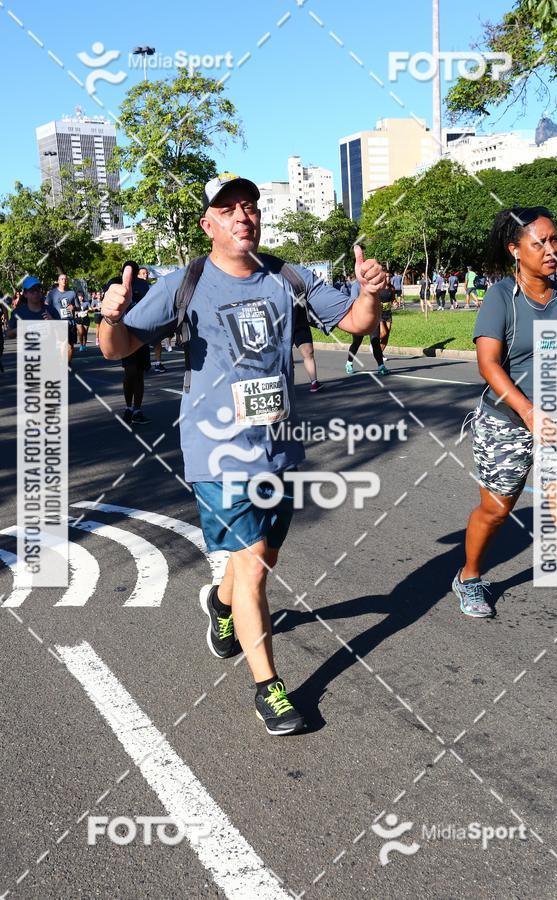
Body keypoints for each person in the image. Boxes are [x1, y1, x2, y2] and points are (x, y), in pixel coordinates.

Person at [99, 173, 384, 734]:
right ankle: (269, 689)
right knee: (252, 564)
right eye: (228, 209)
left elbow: (355, 322)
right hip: (216, 451)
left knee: (260, 557)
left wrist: (370, 291)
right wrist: (111, 316)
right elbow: (120, 347)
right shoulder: (187, 282)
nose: (242, 216)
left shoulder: (287, 276)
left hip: (276, 448)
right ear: (208, 224)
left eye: (249, 206)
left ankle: (221, 607)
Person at [453, 206, 557, 658]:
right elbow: (488, 364)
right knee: (495, 512)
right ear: (516, 250)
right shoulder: (500, 297)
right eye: (540, 242)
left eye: (554, 240)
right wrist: (529, 410)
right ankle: (469, 576)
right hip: (505, 421)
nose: (551, 250)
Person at [104, 261, 151, 424]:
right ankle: (128, 407)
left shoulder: (144, 285)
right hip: (124, 333)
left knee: (139, 374)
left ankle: (137, 410)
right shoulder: (115, 283)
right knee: (130, 372)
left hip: (141, 334)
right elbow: (107, 299)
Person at [345, 274, 389, 376]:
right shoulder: (356, 286)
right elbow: (353, 302)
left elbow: (377, 301)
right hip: (359, 320)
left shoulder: (373, 286)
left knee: (375, 342)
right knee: (356, 343)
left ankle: (381, 366)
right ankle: (349, 363)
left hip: (373, 319)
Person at [46, 273, 77, 362]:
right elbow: (46, 305)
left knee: (70, 346)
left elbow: (77, 306)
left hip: (70, 322)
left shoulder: (72, 293)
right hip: (57, 322)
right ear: (58, 281)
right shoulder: (52, 293)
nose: (64, 280)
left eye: (65, 279)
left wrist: (73, 307)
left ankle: (68, 363)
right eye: (62, 279)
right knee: (60, 344)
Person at [293, 303, 322, 393]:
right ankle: (287, 384)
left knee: (308, 353)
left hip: (300, 322)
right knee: (285, 356)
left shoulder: (299, 288)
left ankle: (314, 382)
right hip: (281, 324)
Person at [378, 272, 394, 355]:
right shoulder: (379, 288)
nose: (388, 278)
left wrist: (395, 303)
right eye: (386, 276)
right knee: (383, 334)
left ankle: (380, 354)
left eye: (389, 276)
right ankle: (374, 343)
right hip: (379, 314)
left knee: (387, 335)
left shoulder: (391, 288)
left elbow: (393, 299)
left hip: (388, 313)